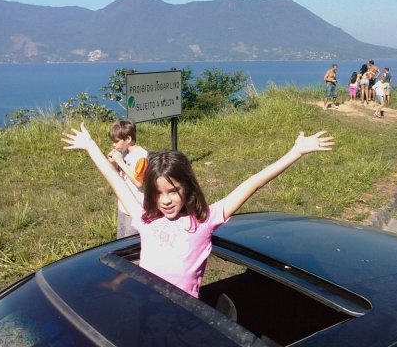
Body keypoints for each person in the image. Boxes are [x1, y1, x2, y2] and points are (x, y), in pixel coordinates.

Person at [62, 123, 335, 298]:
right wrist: (91, 147)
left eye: (173, 191)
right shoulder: (145, 219)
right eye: (158, 193)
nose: (166, 200)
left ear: (188, 188)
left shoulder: (205, 220)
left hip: (187, 316)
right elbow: (114, 182)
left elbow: (251, 183)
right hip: (147, 307)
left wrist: (295, 153)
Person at [107, 120, 148, 238]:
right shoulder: (123, 153)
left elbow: (139, 182)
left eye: (116, 141)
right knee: (120, 240)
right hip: (123, 205)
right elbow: (118, 175)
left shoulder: (141, 156)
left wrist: (120, 162)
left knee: (130, 243)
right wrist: (114, 163)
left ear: (128, 139)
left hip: (135, 208)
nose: (114, 145)